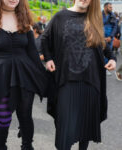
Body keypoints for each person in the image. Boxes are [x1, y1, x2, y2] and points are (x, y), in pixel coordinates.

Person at [0, 0, 48, 150]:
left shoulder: (24, 19)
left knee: (25, 116)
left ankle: (27, 146)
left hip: (24, 75)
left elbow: (32, 51)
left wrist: (44, 73)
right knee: (3, 119)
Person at [41, 0, 116, 150]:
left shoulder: (94, 18)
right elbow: (44, 39)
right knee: (64, 130)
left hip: (90, 81)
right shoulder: (60, 16)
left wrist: (113, 58)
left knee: (86, 127)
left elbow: (102, 43)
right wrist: (48, 58)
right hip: (66, 81)